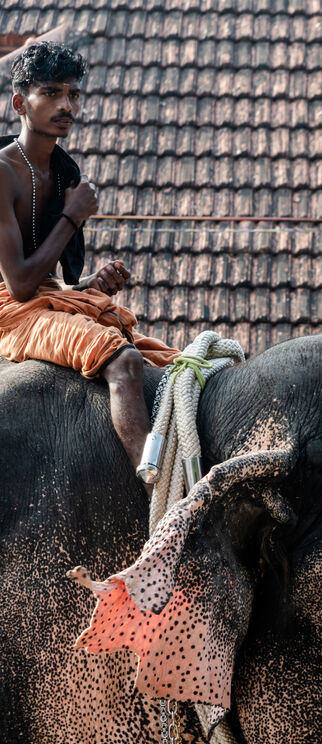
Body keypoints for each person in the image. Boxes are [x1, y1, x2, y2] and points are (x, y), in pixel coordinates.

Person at [0, 41, 179, 489]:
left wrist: (90, 285)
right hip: (8, 313)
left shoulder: (64, 173)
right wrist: (73, 215)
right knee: (124, 361)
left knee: (175, 362)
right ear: (20, 103)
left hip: (43, 300)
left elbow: (46, 282)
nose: (67, 105)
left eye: (73, 94)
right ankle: (160, 497)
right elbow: (19, 284)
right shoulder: (2, 172)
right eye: (51, 93)